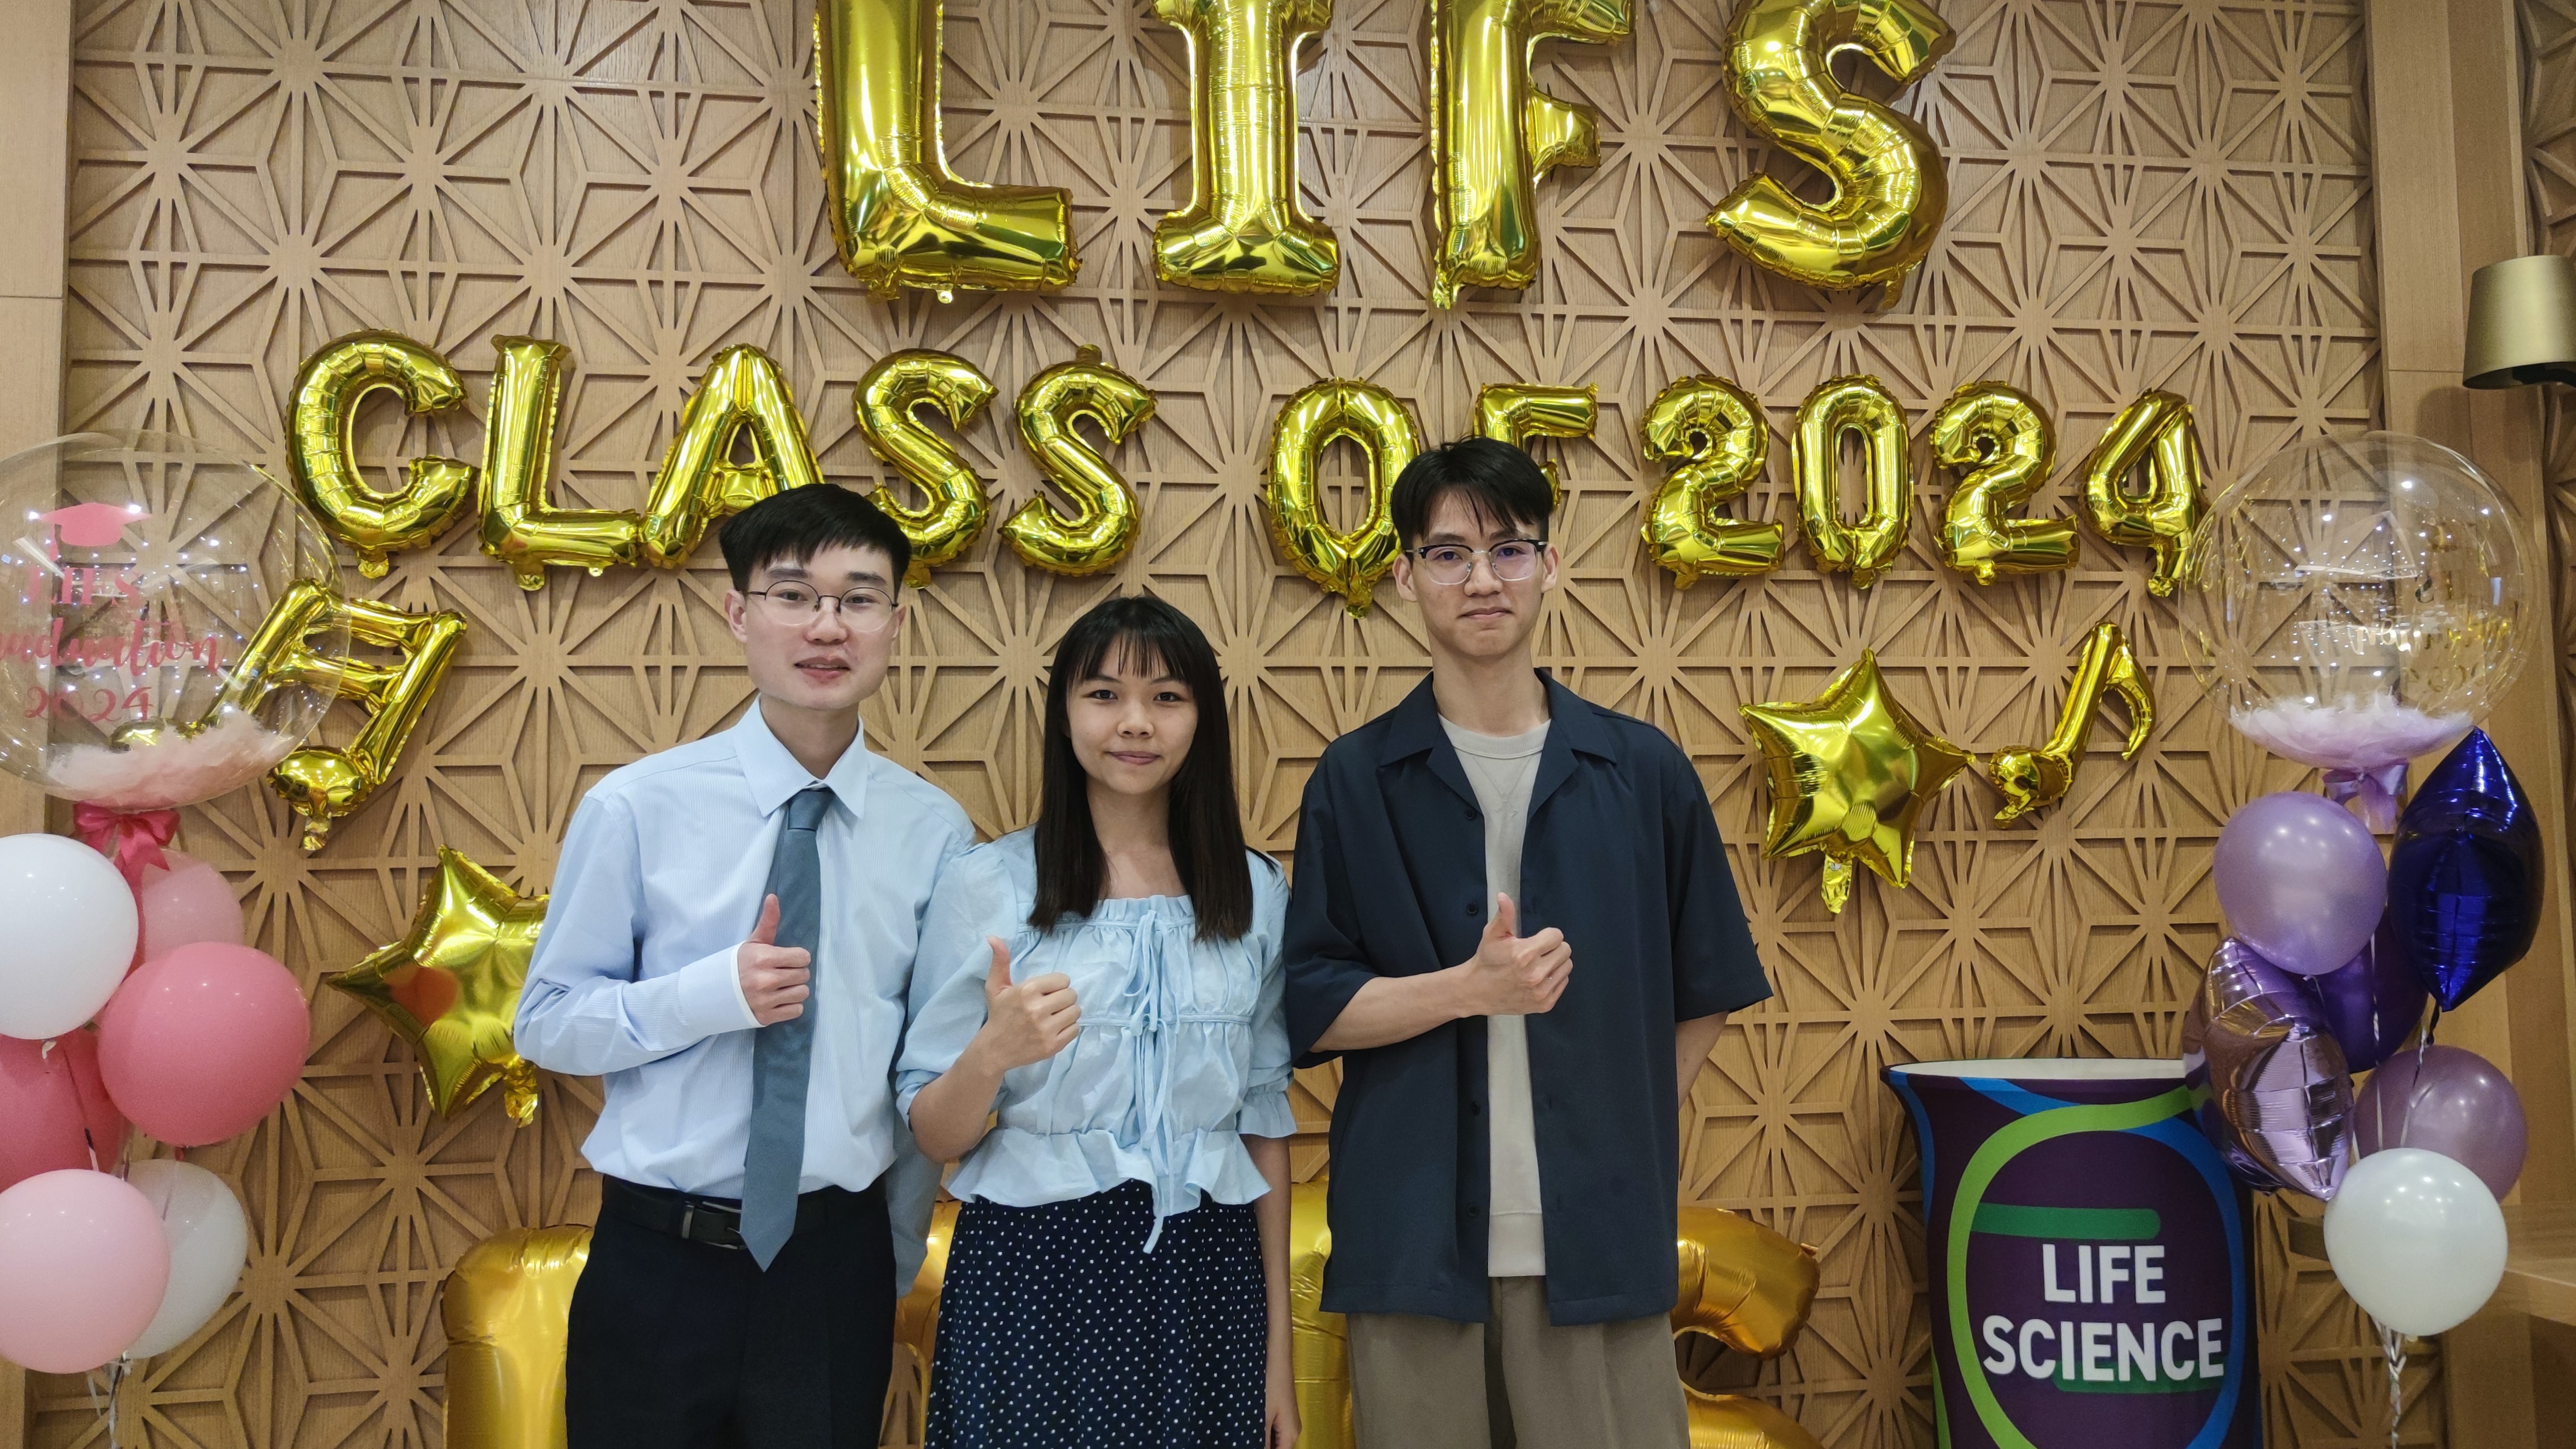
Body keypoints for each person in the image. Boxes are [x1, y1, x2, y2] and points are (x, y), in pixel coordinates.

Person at [1281, 437, 1773, 1448]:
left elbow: (1708, 983)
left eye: (1508, 549)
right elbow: (1313, 1005)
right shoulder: (1356, 778)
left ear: (1552, 564)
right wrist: (1466, 988)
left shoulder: (1641, 770)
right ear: (1405, 576)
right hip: (1414, 1241)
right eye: (1449, 552)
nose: (1481, 578)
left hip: (1596, 1239)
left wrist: (1617, 1123)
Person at [514, 484, 968, 1449]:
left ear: (896, 622)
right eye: (794, 595)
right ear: (739, 613)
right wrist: (707, 996)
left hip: (832, 1267)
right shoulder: (637, 808)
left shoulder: (933, 833)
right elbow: (547, 1021)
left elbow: (923, 1066)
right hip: (659, 1264)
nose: (826, 626)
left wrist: (883, 1258)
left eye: (858, 598)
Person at [898, 595, 1299, 1449]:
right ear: (1064, 712)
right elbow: (934, 1133)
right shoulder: (990, 884)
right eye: (1104, 693)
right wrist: (991, 1056)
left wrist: (1278, 1357)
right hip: (1036, 1264)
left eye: (1167, 697)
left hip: (1209, 1270)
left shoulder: (1257, 892)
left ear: (1203, 719)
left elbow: (1264, 1127)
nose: (1135, 723)